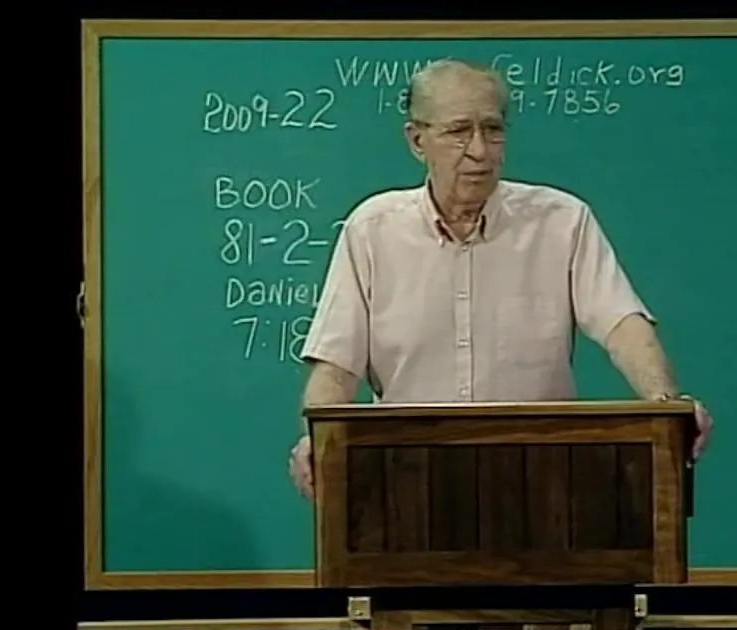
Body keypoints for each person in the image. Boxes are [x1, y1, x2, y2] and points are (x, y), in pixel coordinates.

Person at [287, 59, 712, 498]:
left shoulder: (561, 221)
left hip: (542, 481)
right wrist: (316, 440)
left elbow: (622, 325)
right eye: (458, 132)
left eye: (492, 130)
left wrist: (666, 405)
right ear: (416, 140)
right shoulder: (371, 231)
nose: (480, 151)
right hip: (408, 482)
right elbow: (335, 364)